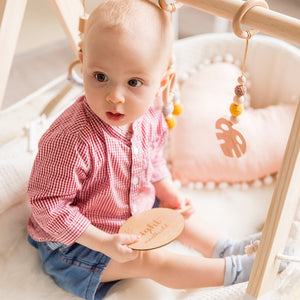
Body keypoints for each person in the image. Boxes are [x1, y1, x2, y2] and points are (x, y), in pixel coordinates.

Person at [27, 0, 260, 299]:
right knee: (150, 260)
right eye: (100, 77)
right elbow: (48, 207)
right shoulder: (71, 140)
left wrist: (167, 189)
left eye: (134, 82)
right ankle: (237, 271)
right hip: (75, 246)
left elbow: (152, 158)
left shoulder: (149, 114)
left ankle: (224, 247)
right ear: (83, 63)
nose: (115, 96)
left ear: (162, 82)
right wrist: (102, 242)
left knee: (176, 214)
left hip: (130, 211)